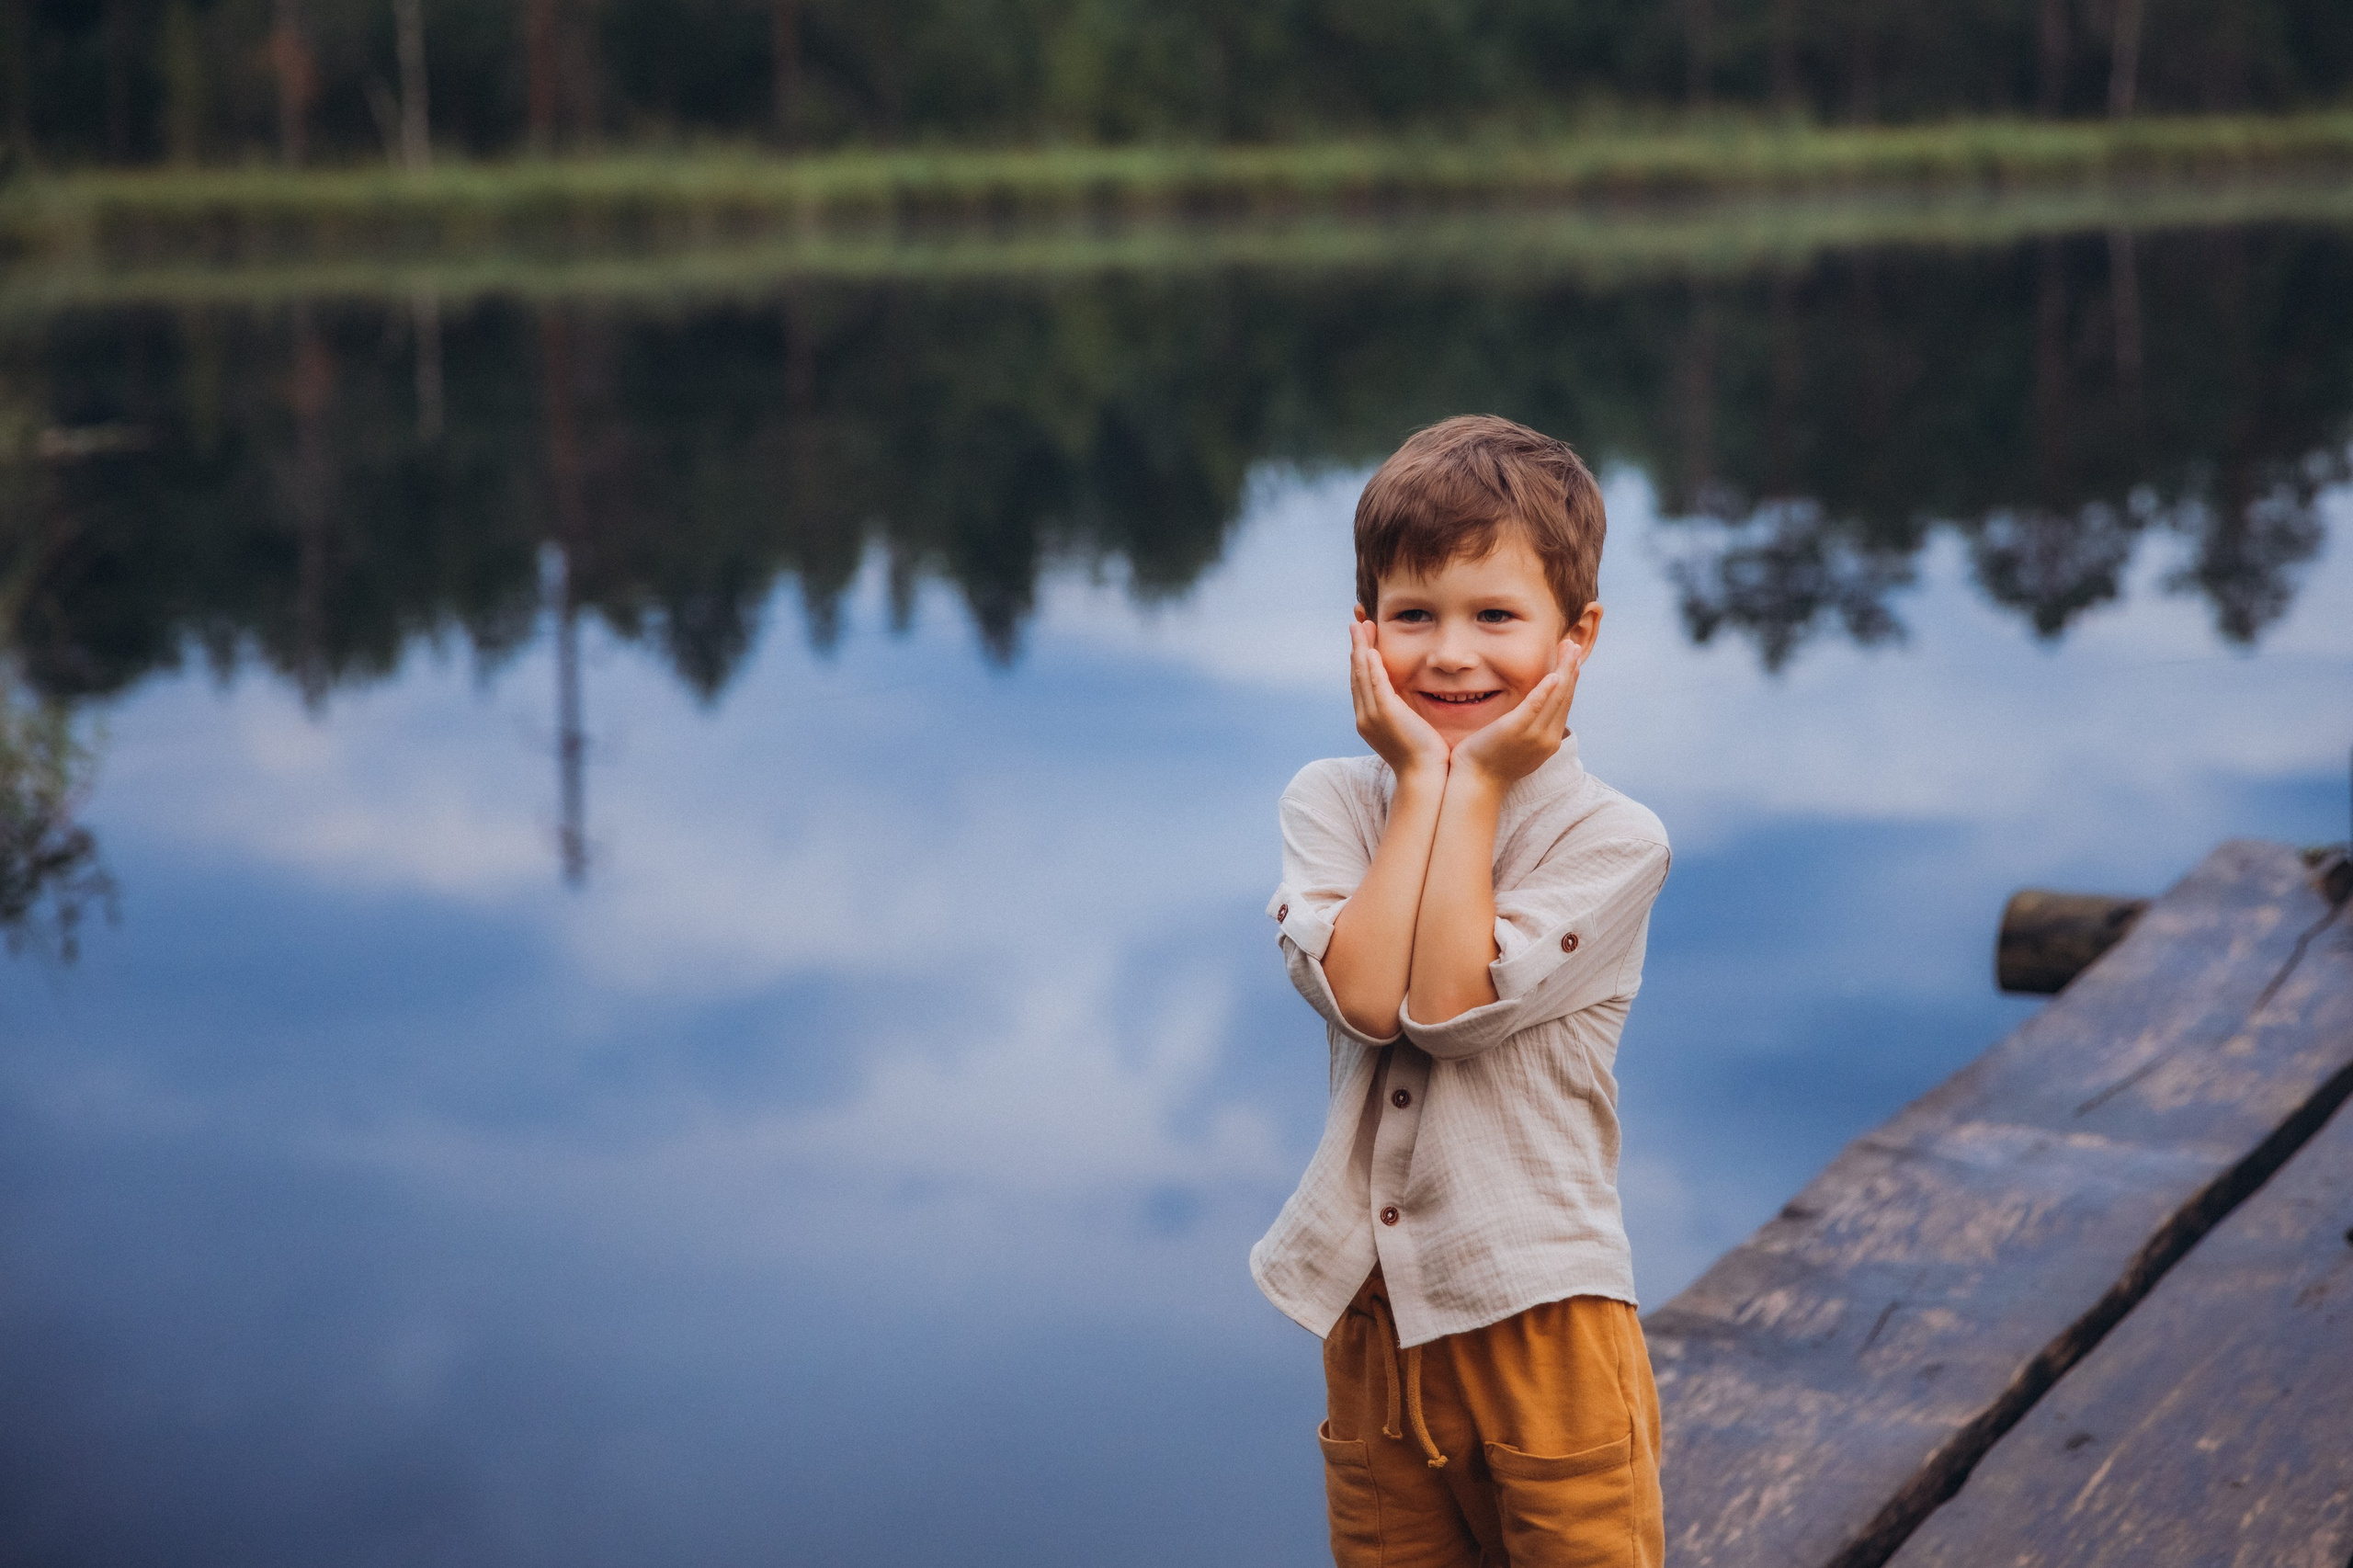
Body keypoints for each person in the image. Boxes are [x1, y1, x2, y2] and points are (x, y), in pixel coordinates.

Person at [1254, 415, 1671, 1567]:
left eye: (1495, 616)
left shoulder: (1611, 836)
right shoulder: (1330, 802)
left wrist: (1474, 781)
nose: (1449, 654)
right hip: (1376, 1318)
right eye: (1412, 616)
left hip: (1539, 1310)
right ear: (1364, 629)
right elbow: (1368, 999)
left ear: (1575, 636)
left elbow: (1444, 1009)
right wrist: (1421, 783)